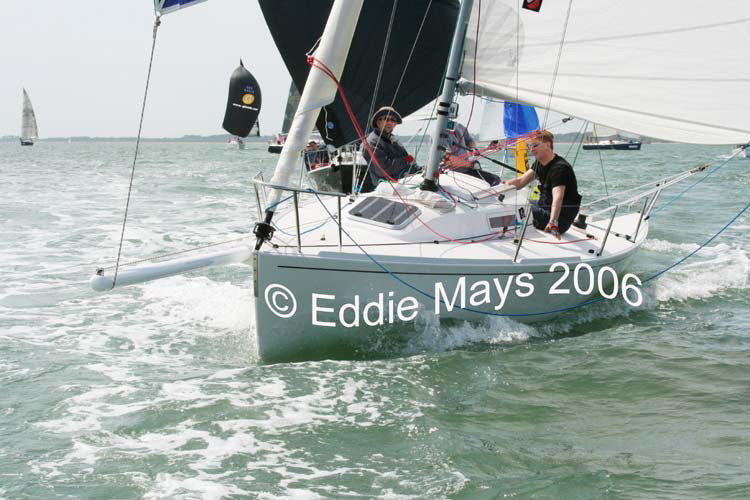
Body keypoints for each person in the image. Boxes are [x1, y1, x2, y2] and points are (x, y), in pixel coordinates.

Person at [501, 130, 581, 239]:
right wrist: (502, 186)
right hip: (544, 207)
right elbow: (520, 182)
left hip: (559, 219)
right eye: (529, 146)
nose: (532, 149)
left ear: (548, 145)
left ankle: (500, 230)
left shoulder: (560, 168)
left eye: (535, 145)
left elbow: (558, 197)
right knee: (516, 202)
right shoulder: (539, 162)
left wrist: (553, 222)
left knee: (518, 208)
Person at [362, 106, 416, 188]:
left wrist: (420, 168)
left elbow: (406, 158)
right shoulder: (372, 141)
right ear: (378, 122)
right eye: (386, 119)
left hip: (403, 182)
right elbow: (384, 169)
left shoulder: (392, 139)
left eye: (393, 120)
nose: (390, 122)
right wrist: (406, 160)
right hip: (388, 187)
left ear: (395, 124)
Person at [440, 121, 501, 186]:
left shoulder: (459, 127)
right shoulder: (439, 132)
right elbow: (448, 160)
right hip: (449, 173)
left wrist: (488, 148)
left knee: (495, 180)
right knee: (493, 181)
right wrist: (471, 164)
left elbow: (471, 145)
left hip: (465, 170)